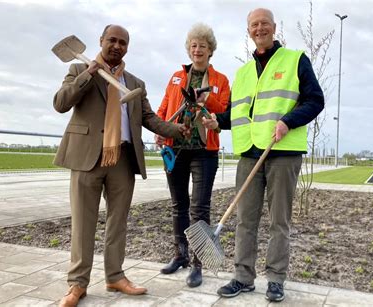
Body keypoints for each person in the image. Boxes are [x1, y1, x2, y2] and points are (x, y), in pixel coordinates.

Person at [53, 24, 188, 307]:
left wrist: (175, 130)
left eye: (122, 42)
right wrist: (88, 77)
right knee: (83, 224)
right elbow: (60, 103)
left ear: (127, 47)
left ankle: (115, 276)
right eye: (111, 40)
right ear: (101, 41)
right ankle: (77, 284)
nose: (116, 46)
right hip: (87, 157)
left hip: (122, 160)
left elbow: (149, 118)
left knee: (118, 223)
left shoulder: (134, 83)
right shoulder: (80, 71)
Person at [202, 8, 324, 302]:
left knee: (279, 221)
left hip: (283, 152)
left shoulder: (295, 60)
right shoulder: (243, 73)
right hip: (249, 153)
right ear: (249, 31)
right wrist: (218, 121)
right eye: (254, 25)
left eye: (264, 24)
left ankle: (276, 279)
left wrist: (288, 121)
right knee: (245, 219)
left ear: (274, 27)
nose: (259, 29)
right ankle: (243, 277)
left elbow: (315, 99)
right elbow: (238, 113)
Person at [155, 23, 230, 287]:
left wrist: (206, 99)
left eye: (203, 46)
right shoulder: (176, 76)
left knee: (200, 207)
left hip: (204, 152)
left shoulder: (220, 80)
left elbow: (223, 109)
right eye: (193, 45)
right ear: (189, 50)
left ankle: (198, 264)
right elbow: (165, 106)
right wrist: (159, 128)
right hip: (175, 147)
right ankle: (180, 255)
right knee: (178, 205)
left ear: (211, 51)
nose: (197, 49)